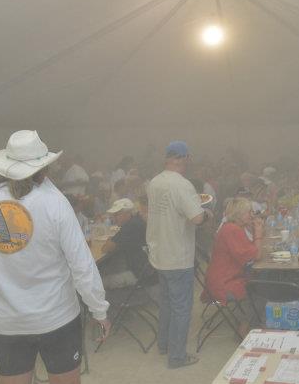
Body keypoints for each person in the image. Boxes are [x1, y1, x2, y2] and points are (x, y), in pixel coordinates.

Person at [0, 130, 109, 384]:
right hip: (55, 318)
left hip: (7, 320)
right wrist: (99, 309)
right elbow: (81, 264)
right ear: (45, 167)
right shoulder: (54, 202)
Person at [146, 140, 210, 369]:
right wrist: (207, 214)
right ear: (185, 159)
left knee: (166, 304)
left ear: (167, 159)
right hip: (178, 255)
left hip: (159, 252)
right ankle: (177, 356)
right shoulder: (182, 185)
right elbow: (197, 218)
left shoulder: (154, 182)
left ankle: (163, 345)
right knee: (181, 306)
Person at [204, 198, 262, 304]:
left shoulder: (232, 227)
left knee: (261, 276)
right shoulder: (232, 230)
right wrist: (258, 233)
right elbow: (257, 255)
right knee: (263, 280)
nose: (252, 215)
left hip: (220, 278)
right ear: (239, 214)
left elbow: (250, 250)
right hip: (224, 284)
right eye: (249, 212)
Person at [101, 197, 156, 289]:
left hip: (139, 274)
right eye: (113, 215)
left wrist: (110, 240)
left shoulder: (129, 227)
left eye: (117, 214)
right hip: (147, 268)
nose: (113, 218)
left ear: (128, 213)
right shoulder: (136, 221)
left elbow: (105, 248)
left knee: (99, 282)